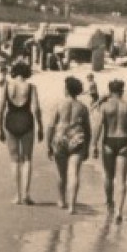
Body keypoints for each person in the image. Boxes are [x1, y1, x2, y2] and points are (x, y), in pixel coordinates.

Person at [0, 59, 44, 205]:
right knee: (27, 159)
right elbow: (36, 109)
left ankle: (17, 195)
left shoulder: (7, 86)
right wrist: (41, 127)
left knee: (14, 159)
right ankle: (26, 195)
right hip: (26, 121)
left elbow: (0, 110)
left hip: (11, 120)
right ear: (27, 73)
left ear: (14, 72)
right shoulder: (31, 87)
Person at [92, 77, 127, 223]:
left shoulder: (105, 106)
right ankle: (119, 211)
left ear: (110, 91)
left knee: (108, 176)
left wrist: (93, 145)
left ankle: (109, 203)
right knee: (122, 179)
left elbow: (98, 126)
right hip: (124, 141)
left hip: (109, 141)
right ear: (122, 90)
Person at [49, 75, 91, 212]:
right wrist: (88, 147)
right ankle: (72, 205)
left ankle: (61, 200)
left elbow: (51, 125)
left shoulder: (59, 105)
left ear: (66, 89)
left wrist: (48, 145)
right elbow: (87, 129)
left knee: (61, 173)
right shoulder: (83, 107)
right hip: (76, 137)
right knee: (74, 173)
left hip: (61, 136)